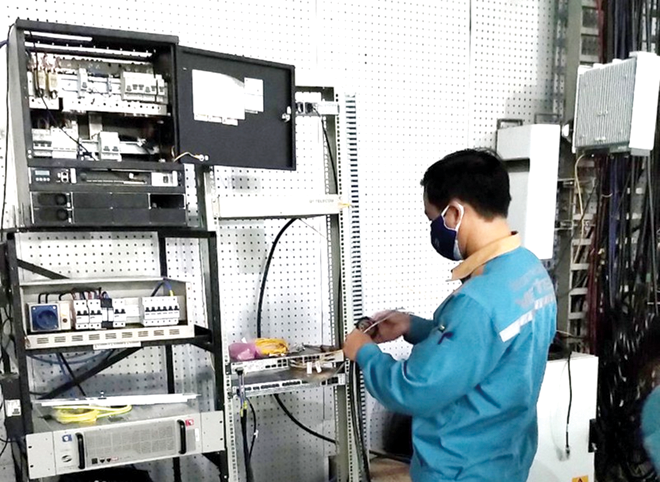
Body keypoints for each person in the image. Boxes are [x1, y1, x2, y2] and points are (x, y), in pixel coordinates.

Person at [343, 149, 557, 482]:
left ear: (455, 212)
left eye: (433, 219)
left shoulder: (478, 301)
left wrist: (364, 352)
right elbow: (485, 347)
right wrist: (413, 326)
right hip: (508, 461)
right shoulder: (530, 272)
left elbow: (414, 388)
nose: (434, 228)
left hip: (461, 470)